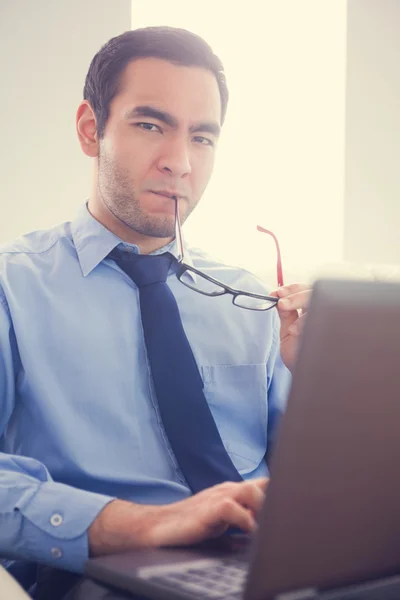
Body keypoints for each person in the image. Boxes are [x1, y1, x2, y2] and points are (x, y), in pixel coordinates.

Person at [0, 26, 310, 599]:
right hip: (100, 573)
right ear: (92, 130)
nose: (180, 162)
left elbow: (318, 490)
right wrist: (142, 524)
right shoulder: (12, 287)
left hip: (259, 567)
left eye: (202, 138)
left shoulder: (252, 301)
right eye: (151, 125)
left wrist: (324, 384)